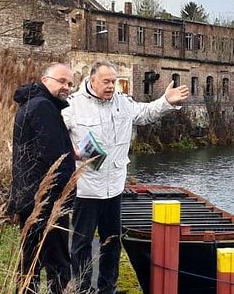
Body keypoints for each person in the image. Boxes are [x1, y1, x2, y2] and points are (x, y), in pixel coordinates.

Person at [62, 60, 189, 294]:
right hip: (87, 188)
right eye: (106, 81)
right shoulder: (73, 106)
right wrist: (73, 153)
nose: (111, 86)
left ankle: (107, 287)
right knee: (82, 243)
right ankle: (81, 288)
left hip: (115, 188)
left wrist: (165, 101)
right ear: (92, 81)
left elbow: (146, 113)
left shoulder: (123, 103)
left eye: (114, 81)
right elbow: (56, 137)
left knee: (111, 242)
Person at [8, 63, 76, 294]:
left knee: (31, 261)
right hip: (46, 200)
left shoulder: (32, 104)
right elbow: (53, 157)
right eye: (62, 81)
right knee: (58, 263)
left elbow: (39, 151)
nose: (66, 87)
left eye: (70, 83)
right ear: (45, 80)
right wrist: (67, 195)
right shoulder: (43, 107)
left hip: (30, 197)